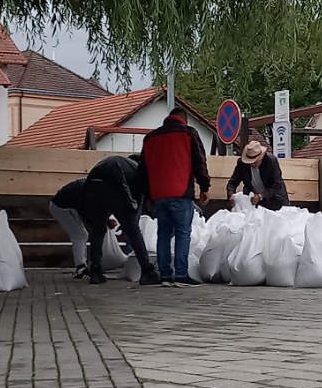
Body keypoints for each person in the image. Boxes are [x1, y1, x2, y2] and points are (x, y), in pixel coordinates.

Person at [51, 155, 161, 286]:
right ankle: (147, 271)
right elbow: (135, 198)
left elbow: (92, 200)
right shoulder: (138, 169)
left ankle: (96, 271)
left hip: (93, 185)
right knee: (133, 231)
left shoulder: (121, 163)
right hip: (114, 183)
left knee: (98, 231)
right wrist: (132, 217)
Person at [138, 105, 210, 284]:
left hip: (158, 196)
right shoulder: (188, 133)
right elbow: (199, 161)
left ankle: (164, 275)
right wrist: (204, 186)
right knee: (182, 232)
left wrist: (147, 196)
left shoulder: (150, 138)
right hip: (180, 192)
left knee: (163, 233)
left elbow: (142, 171)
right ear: (184, 120)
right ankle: (180, 274)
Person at [226, 138, 289, 210]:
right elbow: (232, 182)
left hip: (274, 199)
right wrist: (231, 195)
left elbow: (277, 184)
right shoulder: (242, 164)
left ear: (261, 158)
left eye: (255, 161)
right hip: (252, 201)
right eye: (249, 162)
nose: (252, 164)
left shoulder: (271, 161)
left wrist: (262, 196)